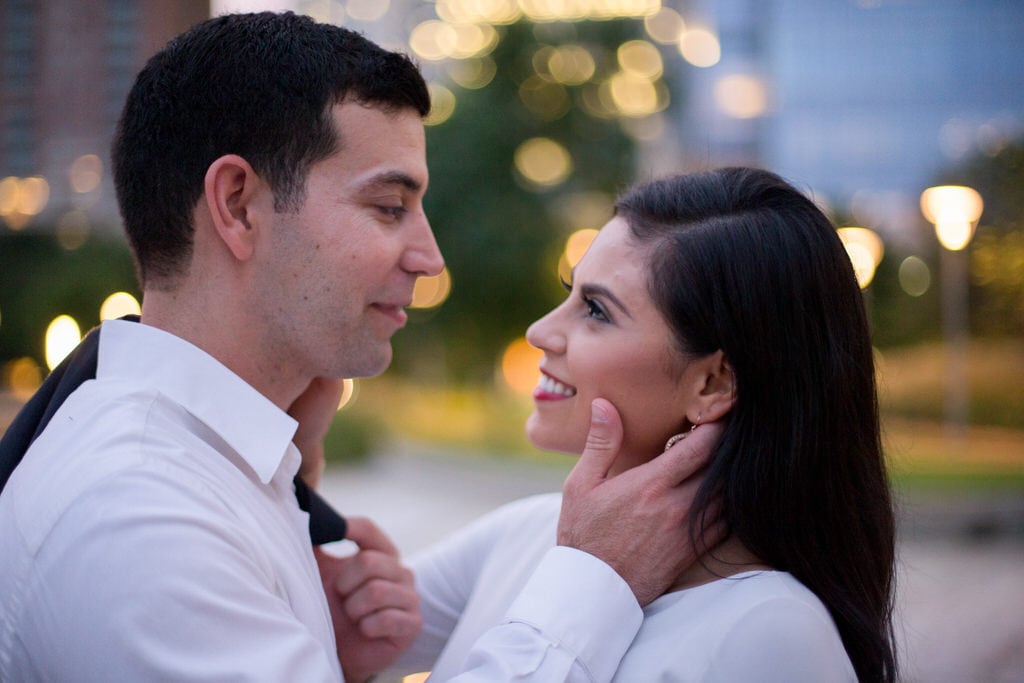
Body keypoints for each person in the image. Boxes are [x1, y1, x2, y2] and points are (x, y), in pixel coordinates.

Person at [0, 12, 720, 682]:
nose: (429, 256)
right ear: (238, 205)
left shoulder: (201, 471)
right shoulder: (140, 513)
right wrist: (597, 580)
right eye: (389, 207)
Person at [377, 168, 898, 682]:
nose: (540, 332)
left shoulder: (771, 632)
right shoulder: (537, 533)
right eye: (570, 292)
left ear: (713, 384)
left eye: (596, 311)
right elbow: (313, 642)